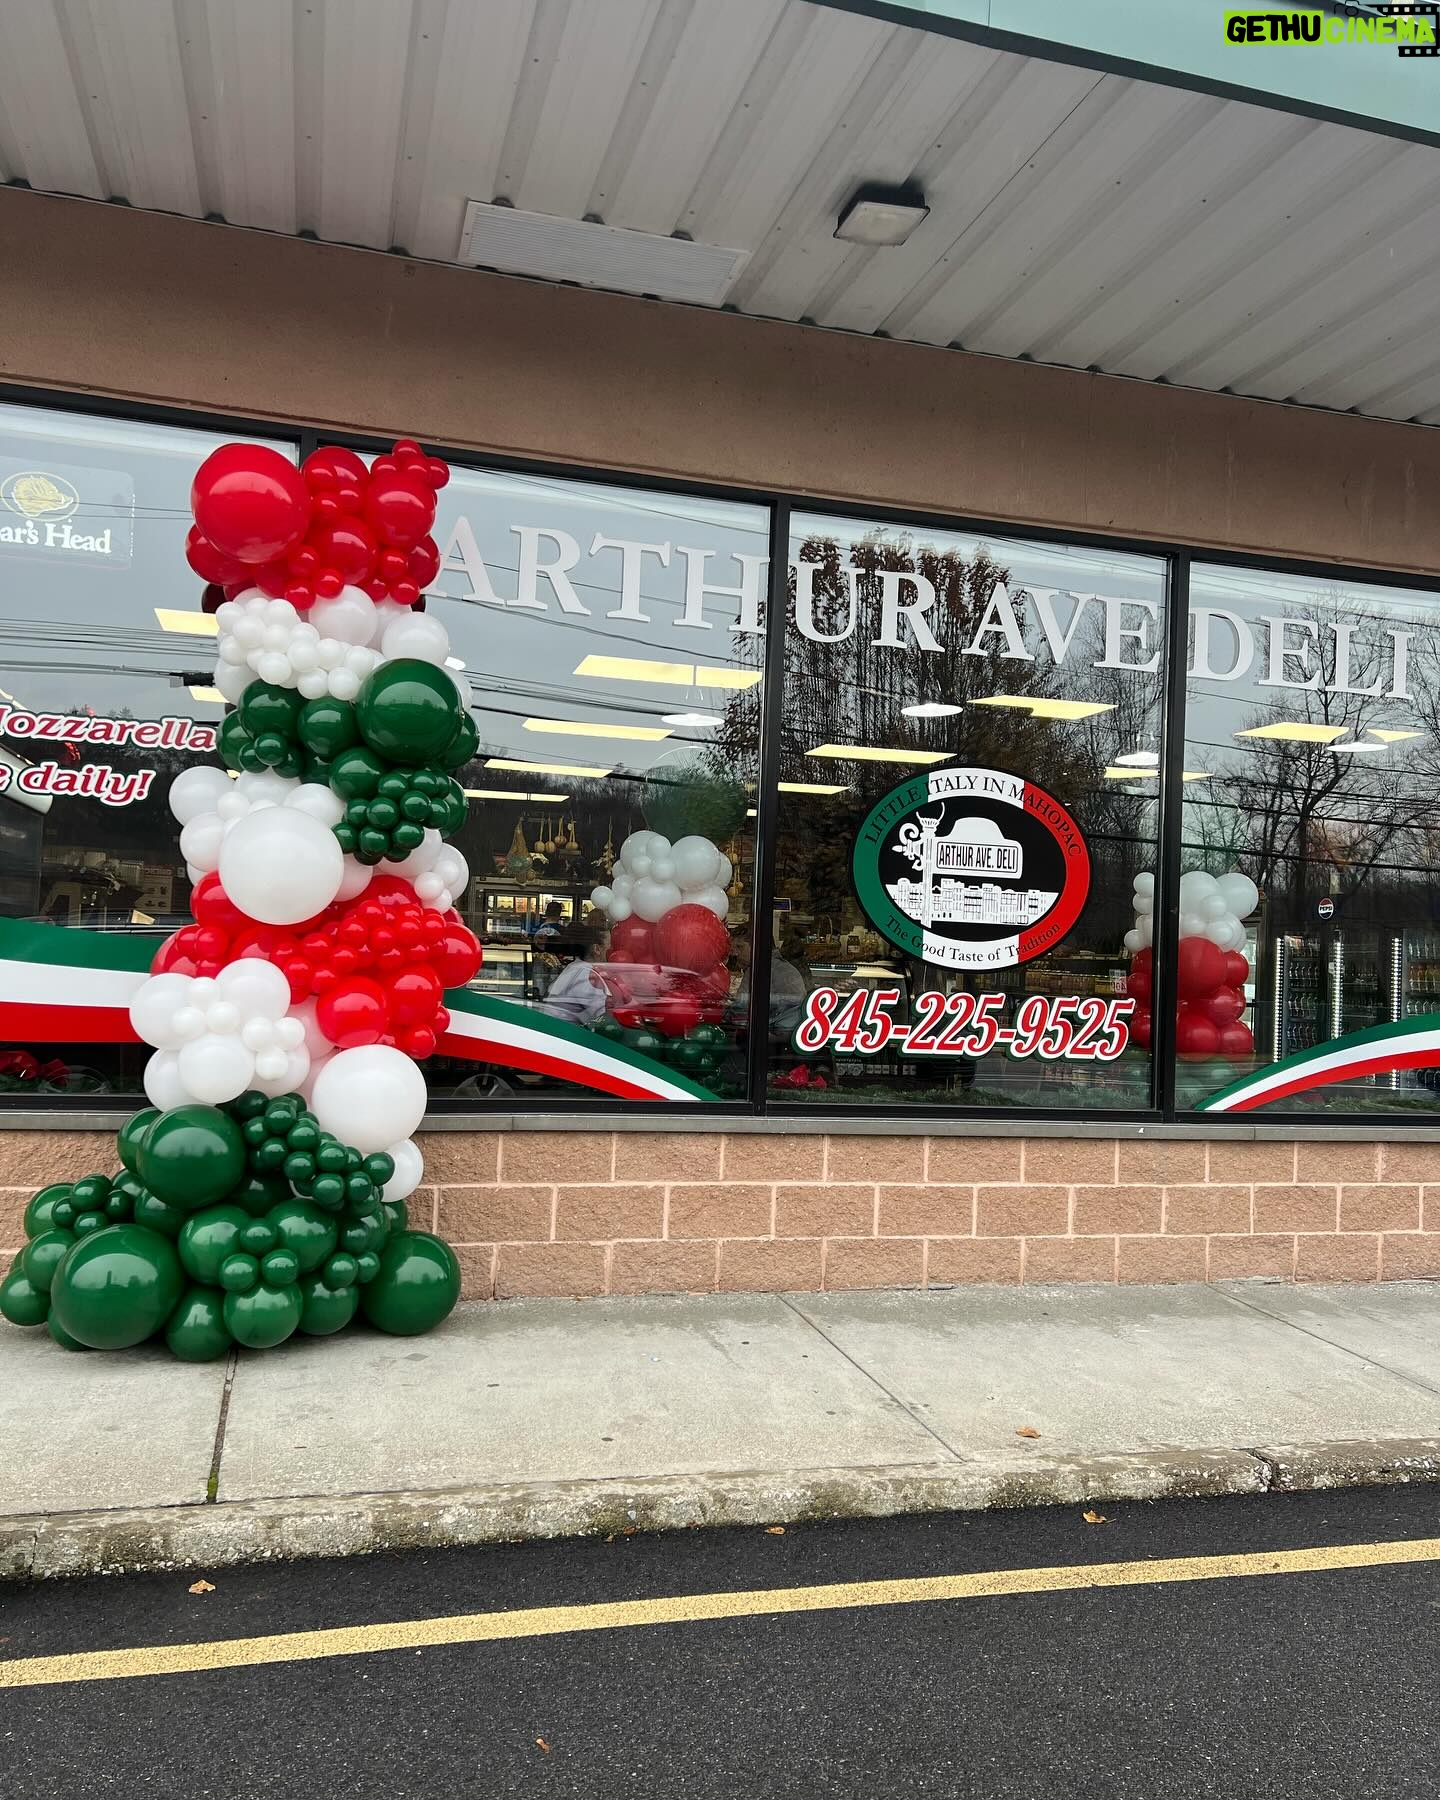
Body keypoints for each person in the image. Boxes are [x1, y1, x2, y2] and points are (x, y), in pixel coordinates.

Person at [536, 921, 610, 1025]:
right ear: (597, 949)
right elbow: (603, 1014)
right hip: (562, 1032)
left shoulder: (576, 967)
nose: (614, 949)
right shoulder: (586, 974)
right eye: (611, 945)